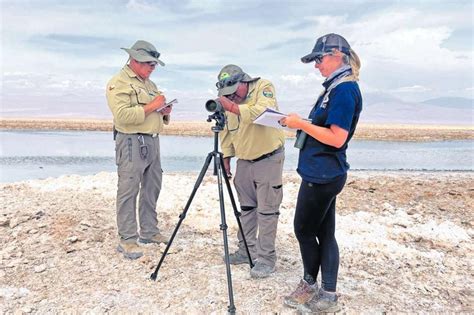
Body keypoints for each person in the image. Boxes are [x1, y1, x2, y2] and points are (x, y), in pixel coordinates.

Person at [280, 33, 362, 312]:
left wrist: (300, 124)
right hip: (325, 171)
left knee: (303, 229)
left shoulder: (344, 90)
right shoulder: (336, 87)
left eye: (319, 58)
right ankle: (328, 293)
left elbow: (337, 137)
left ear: (337, 55)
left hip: (323, 175)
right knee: (326, 232)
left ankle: (310, 283)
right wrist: (299, 123)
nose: (317, 65)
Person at [215, 64, 285, 278]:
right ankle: (246, 250)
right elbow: (227, 130)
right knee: (246, 209)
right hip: (244, 162)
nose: (232, 98)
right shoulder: (232, 103)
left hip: (268, 158)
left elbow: (264, 112)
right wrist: (226, 155)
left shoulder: (263, 87)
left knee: (267, 211)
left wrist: (233, 107)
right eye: (227, 95)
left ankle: (266, 259)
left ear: (244, 82)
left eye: (234, 93)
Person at [106, 40, 172, 260]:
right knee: (128, 189)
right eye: (149, 63)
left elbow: (154, 111)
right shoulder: (119, 83)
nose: (152, 67)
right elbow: (123, 116)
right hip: (131, 142)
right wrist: (154, 106)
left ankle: (149, 231)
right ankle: (127, 239)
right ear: (134, 60)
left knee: (152, 187)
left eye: (154, 64)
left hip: (152, 140)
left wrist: (164, 110)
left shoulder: (149, 85)